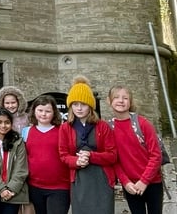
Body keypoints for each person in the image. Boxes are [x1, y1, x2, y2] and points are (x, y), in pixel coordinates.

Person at [58, 76, 116, 214]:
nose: (79, 108)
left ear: (90, 106)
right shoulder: (65, 128)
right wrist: (76, 161)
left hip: (101, 179)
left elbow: (113, 155)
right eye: (75, 104)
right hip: (79, 179)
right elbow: (63, 155)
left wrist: (91, 156)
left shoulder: (103, 126)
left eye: (83, 104)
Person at [108, 84, 163, 214]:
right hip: (130, 186)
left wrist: (144, 181)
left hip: (152, 182)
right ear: (109, 101)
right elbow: (113, 159)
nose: (121, 101)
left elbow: (156, 155)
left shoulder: (143, 124)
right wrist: (125, 182)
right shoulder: (109, 128)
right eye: (116, 97)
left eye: (125, 98)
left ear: (130, 101)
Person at [22, 95, 70, 214]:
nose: (43, 114)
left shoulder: (62, 131)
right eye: (40, 110)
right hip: (35, 186)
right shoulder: (26, 131)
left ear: (54, 112)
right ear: (34, 111)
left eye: (48, 111)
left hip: (59, 187)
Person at [0, 108, 28, 214]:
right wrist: (1, 189)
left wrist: (11, 189)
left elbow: (21, 168)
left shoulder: (18, 142)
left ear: (11, 124)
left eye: (7, 122)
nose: (3, 126)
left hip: (14, 192)